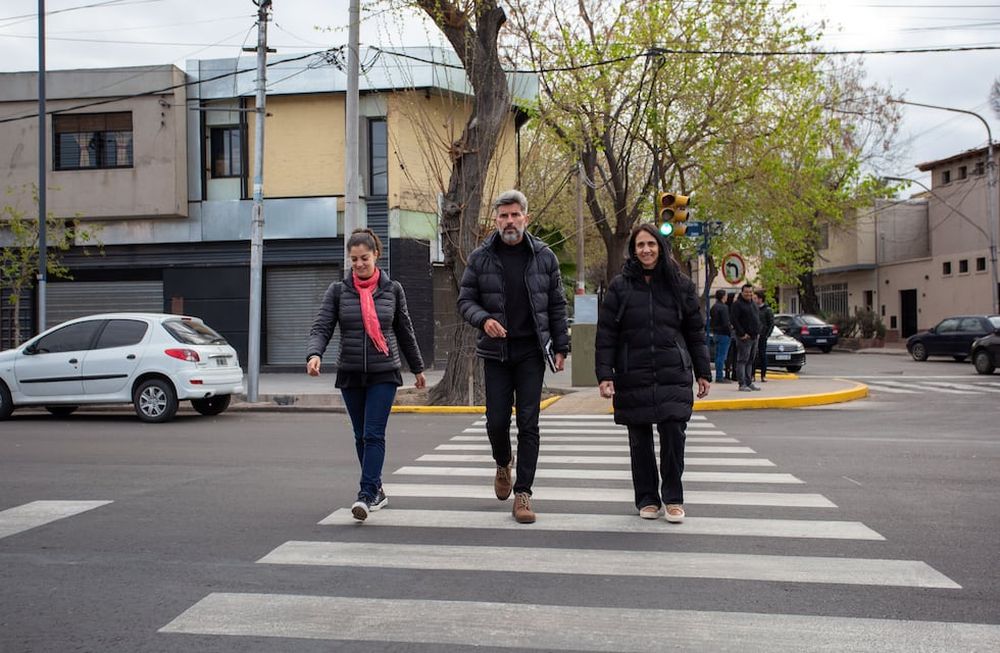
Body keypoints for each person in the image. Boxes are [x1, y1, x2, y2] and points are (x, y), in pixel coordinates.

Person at [457, 189, 569, 524]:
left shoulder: (544, 256)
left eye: (515, 215)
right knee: (495, 421)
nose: (509, 221)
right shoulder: (480, 257)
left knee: (529, 423)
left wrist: (562, 346)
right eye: (503, 216)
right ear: (496, 220)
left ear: (526, 218)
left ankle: (524, 493)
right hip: (496, 353)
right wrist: (484, 320)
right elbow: (465, 301)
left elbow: (557, 304)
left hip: (532, 351)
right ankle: (503, 462)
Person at [307, 228, 426, 522]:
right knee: (360, 436)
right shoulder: (338, 291)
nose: (359, 264)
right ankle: (378, 490)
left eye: (364, 258)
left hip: (384, 371)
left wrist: (418, 368)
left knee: (373, 434)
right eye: (354, 259)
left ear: (376, 255)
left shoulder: (392, 290)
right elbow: (322, 326)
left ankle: (366, 493)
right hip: (350, 373)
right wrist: (314, 354)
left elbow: (404, 331)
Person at [595, 223, 711, 524]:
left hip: (673, 370)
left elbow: (695, 332)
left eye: (651, 244)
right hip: (633, 372)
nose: (646, 250)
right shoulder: (620, 286)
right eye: (640, 245)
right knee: (639, 440)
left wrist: (703, 371)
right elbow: (607, 332)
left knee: (674, 434)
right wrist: (604, 374)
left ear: (660, 246)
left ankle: (673, 497)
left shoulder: (680, 285)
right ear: (633, 251)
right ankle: (647, 498)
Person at [730, 283, 761, 392]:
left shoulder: (753, 304)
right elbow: (734, 320)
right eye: (746, 292)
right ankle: (742, 383)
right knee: (742, 360)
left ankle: (749, 382)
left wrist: (758, 332)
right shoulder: (737, 305)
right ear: (742, 292)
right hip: (744, 338)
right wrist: (742, 334)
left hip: (754, 337)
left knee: (750, 361)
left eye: (750, 292)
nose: (748, 294)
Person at [709, 289, 732, 383]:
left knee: (718, 355)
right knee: (722, 356)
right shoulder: (723, 307)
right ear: (723, 296)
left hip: (716, 332)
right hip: (723, 334)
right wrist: (730, 330)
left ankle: (719, 375)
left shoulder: (714, 307)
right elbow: (725, 322)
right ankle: (719, 376)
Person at [755, 289, 775, 383]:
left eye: (756, 298)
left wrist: (766, 335)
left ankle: (763, 375)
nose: (755, 300)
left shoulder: (767, 310)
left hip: (763, 336)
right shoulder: (754, 308)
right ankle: (752, 375)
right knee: (753, 356)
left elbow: (771, 324)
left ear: (761, 299)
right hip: (754, 335)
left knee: (762, 355)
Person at [724, 292, 738, 381]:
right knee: (730, 355)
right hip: (731, 335)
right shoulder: (729, 309)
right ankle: (729, 373)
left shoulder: (732, 308)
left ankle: (732, 373)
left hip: (733, 334)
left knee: (733, 355)